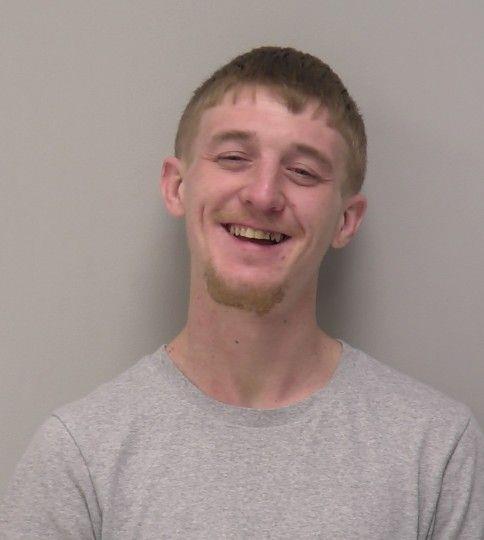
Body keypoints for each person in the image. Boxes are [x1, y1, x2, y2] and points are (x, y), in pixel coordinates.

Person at [1, 46, 483, 539]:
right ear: (176, 186)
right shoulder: (79, 457)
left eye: (303, 172)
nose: (263, 194)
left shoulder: (435, 453)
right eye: (234, 158)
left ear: (345, 219)